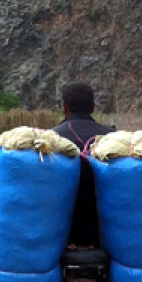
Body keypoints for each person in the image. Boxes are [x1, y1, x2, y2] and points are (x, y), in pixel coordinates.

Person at [52, 82, 115, 247]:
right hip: (104, 231)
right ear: (93, 107)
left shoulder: (50, 140)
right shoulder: (113, 138)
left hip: (62, 233)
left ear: (64, 107)